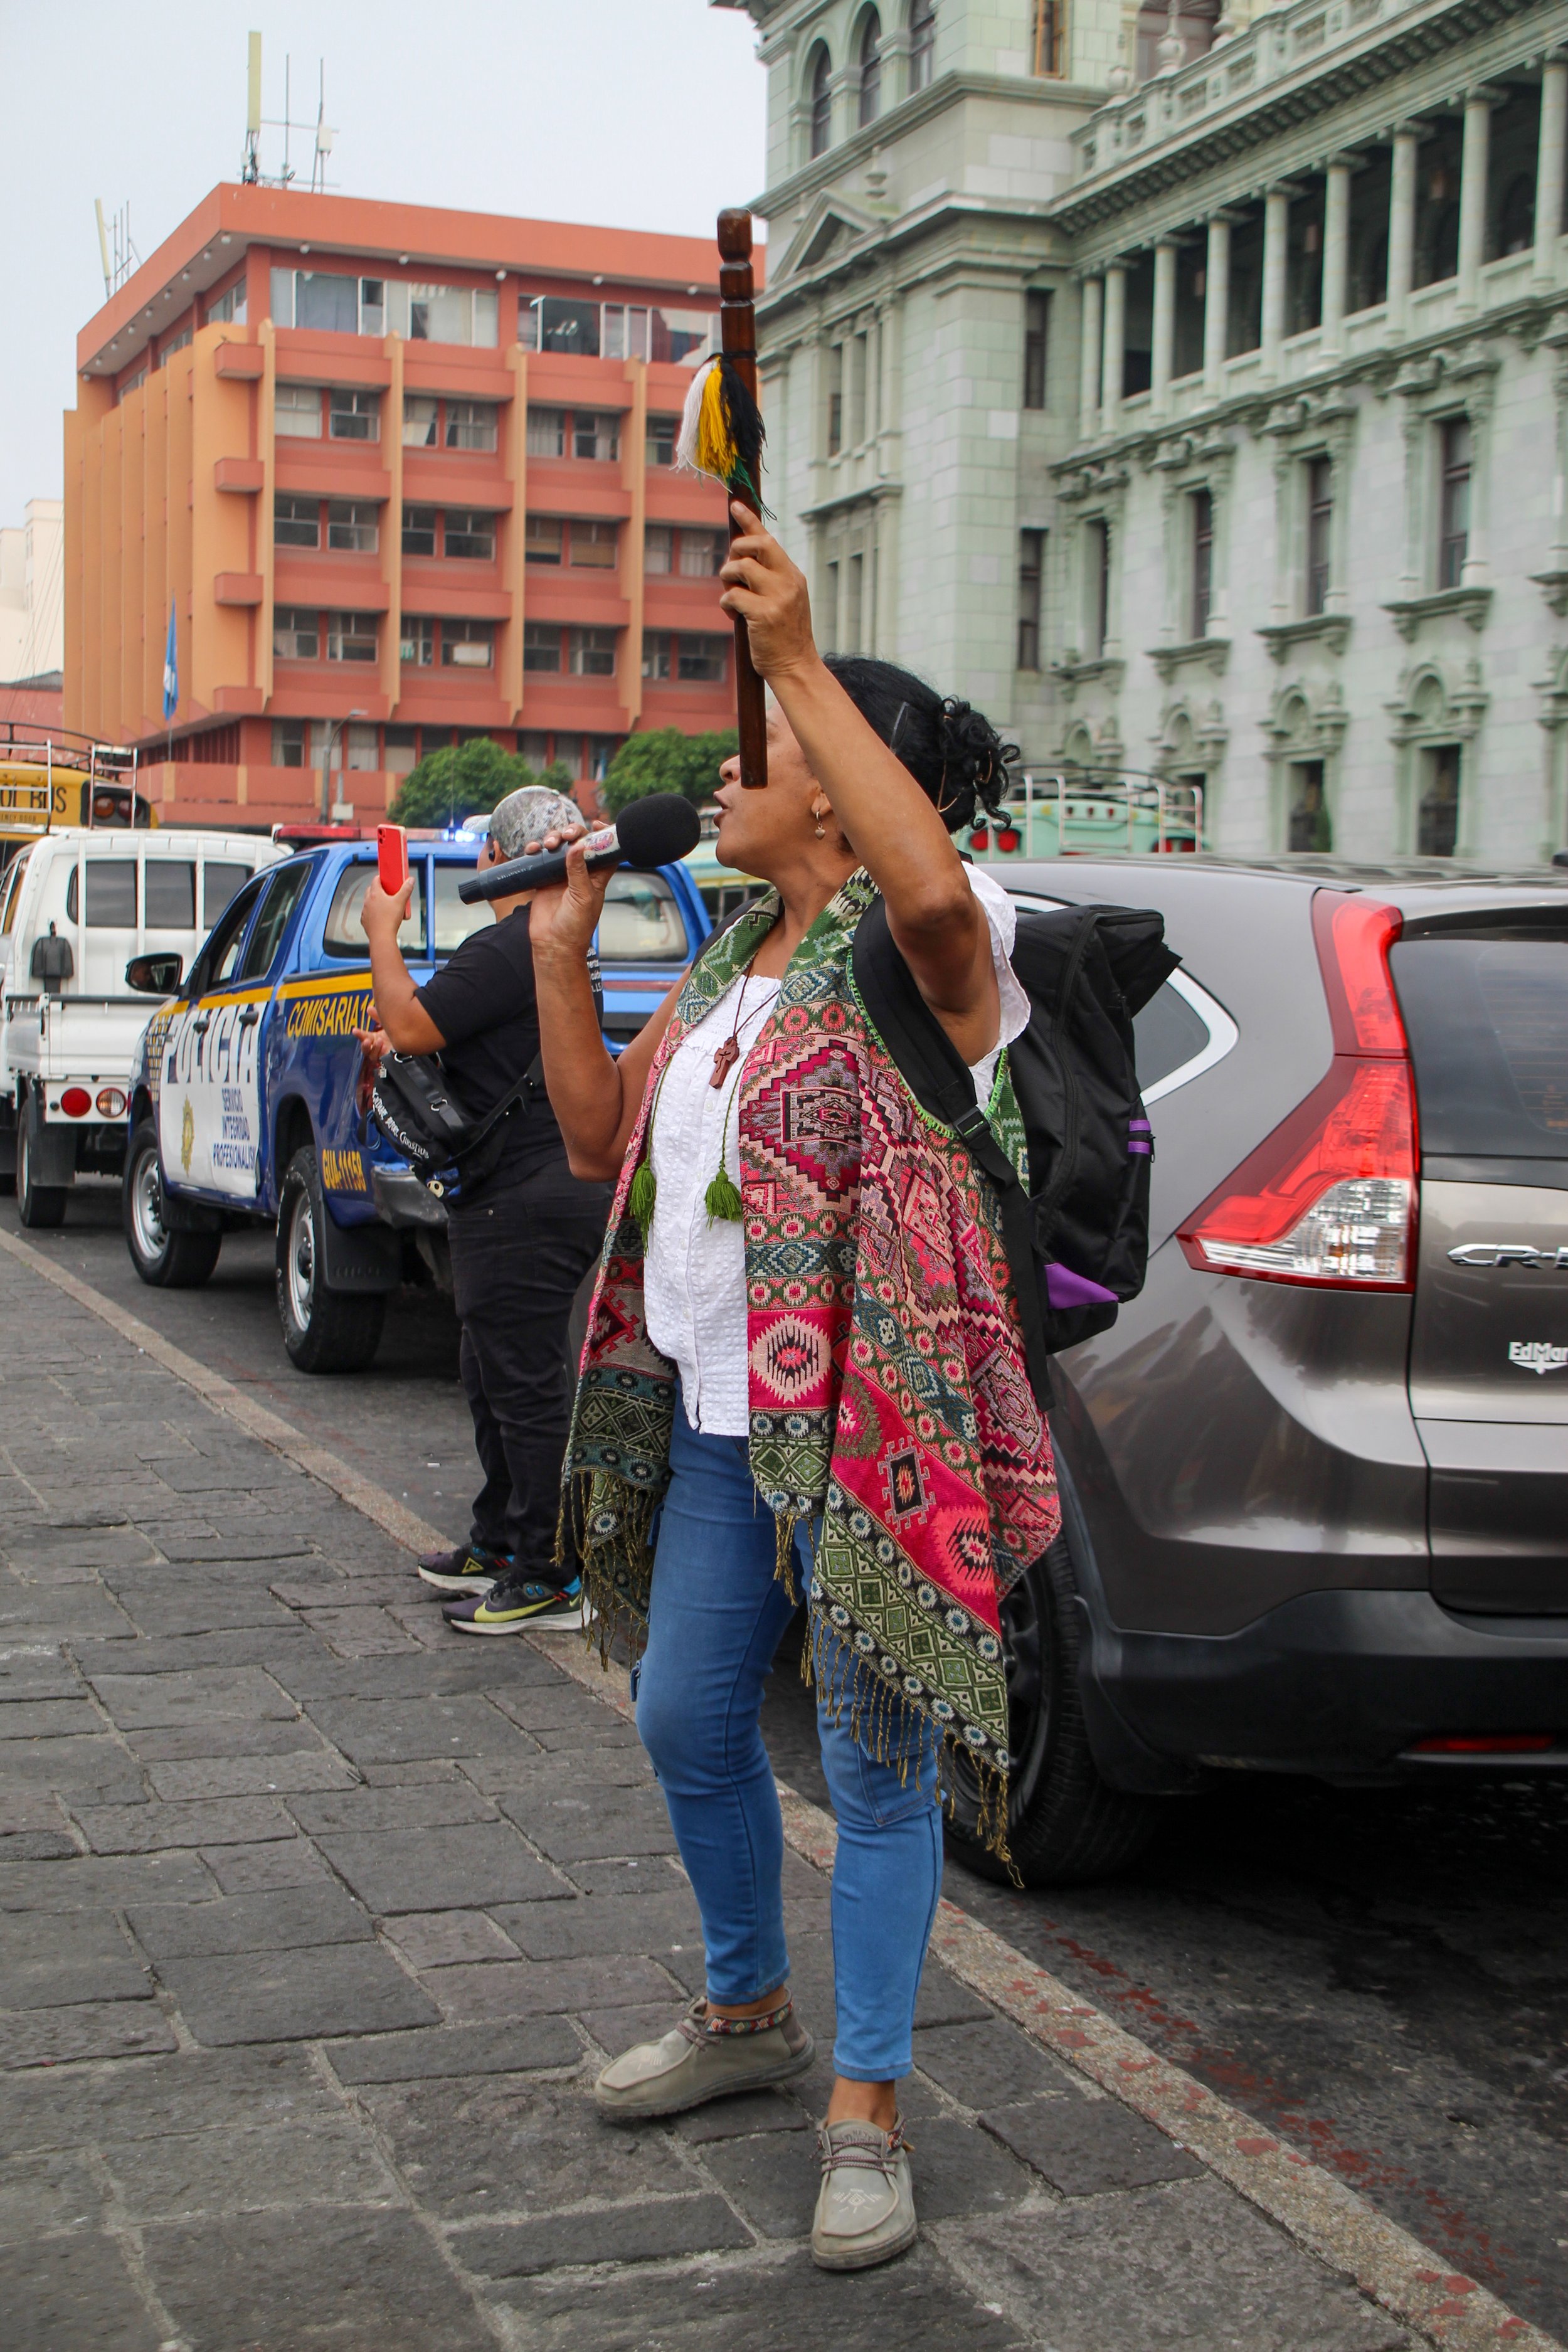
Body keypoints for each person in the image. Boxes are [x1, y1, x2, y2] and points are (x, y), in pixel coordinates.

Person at [524, 507, 1062, 2270]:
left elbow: (921, 893)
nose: (714, 772)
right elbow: (602, 1139)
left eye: (749, 747)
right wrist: (554, 951)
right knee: (686, 1720)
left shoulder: (930, 940)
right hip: (703, 1428)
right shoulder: (719, 958)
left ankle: (868, 2106)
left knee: (875, 1772)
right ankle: (750, 2007)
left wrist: (801, 660)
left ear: (837, 778)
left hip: (863, 1445)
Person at [358, 787, 612, 1632]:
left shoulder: (516, 943)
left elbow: (411, 1019)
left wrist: (381, 929)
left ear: (493, 861)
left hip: (527, 1199)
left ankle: (549, 1571)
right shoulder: (547, 946)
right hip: (531, 1190)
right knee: (491, 1371)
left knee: (525, 1384)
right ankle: (504, 1538)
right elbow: (448, 1032)